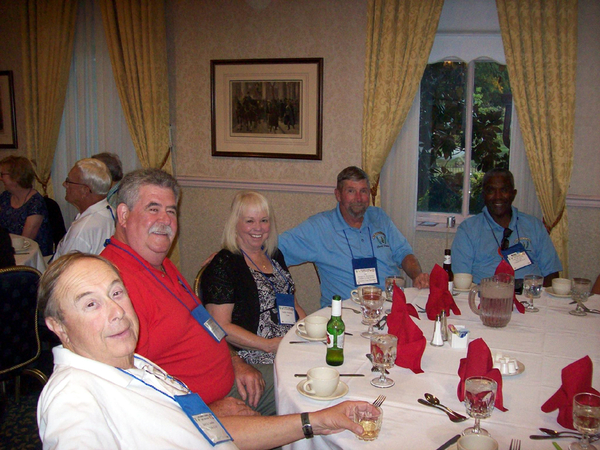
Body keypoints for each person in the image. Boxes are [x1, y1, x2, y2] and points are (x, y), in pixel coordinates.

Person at [37, 252, 378, 450]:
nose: (116, 312)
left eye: (116, 293)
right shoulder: (74, 396)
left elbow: (203, 430)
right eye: (90, 304)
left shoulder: (132, 363)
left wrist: (318, 421)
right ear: (59, 327)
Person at [101, 169, 272, 417]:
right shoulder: (113, 286)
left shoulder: (160, 263)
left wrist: (235, 361)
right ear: (124, 215)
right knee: (310, 414)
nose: (165, 220)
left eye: (171, 211)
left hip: (233, 380)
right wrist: (205, 412)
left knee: (307, 385)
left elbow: (204, 324)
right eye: (153, 209)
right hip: (196, 413)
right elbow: (128, 390)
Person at [278, 166, 430, 307]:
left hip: (390, 307)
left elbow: (404, 253)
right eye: (351, 191)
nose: (359, 198)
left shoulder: (379, 218)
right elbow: (275, 251)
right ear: (338, 195)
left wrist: (417, 275)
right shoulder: (319, 227)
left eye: (363, 191)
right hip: (347, 314)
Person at [202, 191, 306, 366]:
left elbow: (293, 304)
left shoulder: (274, 255)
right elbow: (220, 325)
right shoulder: (224, 264)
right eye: (250, 221)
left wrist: (307, 332)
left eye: (264, 220)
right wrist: (268, 345)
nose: (258, 227)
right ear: (235, 224)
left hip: (289, 346)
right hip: (254, 356)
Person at [452, 168, 562, 286]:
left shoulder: (534, 226)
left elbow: (552, 274)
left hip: (530, 297)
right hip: (485, 297)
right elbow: (461, 278)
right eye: (491, 191)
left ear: (513, 194)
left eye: (504, 190)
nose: (498, 197)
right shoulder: (468, 230)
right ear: (483, 195)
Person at [52, 158, 114, 259]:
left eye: (69, 181)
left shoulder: (82, 231)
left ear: (85, 190)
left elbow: (66, 272)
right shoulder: (110, 212)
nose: (64, 185)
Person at [0, 156, 52, 256]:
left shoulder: (36, 203)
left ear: (16, 177)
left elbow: (26, 241)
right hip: (8, 251)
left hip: (30, 256)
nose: (0, 178)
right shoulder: (5, 197)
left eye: (2, 175)